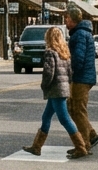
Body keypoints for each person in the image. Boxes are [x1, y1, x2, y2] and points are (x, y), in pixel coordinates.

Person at [24, 26, 89, 158]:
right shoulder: (65, 53)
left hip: (55, 90)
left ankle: (81, 147)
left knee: (64, 119)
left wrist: (44, 85)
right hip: (63, 88)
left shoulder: (50, 52)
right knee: (46, 116)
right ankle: (36, 147)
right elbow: (70, 73)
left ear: (49, 38)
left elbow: (49, 72)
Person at [63, 6, 98, 148]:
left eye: (67, 18)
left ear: (73, 19)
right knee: (73, 108)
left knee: (77, 109)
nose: (65, 21)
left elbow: (78, 58)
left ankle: (84, 144)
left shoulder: (79, 35)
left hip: (81, 78)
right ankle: (91, 135)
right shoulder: (81, 33)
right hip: (83, 77)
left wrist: (69, 72)